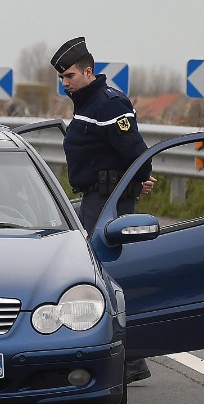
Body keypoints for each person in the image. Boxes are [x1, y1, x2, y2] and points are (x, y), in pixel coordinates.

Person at [52, 36, 157, 384]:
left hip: (108, 202)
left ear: (88, 71)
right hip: (96, 198)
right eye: (62, 78)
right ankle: (125, 360)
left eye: (69, 76)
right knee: (98, 276)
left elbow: (134, 151)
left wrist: (136, 181)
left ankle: (127, 362)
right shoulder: (87, 103)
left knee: (105, 279)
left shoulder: (109, 104)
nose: (64, 83)